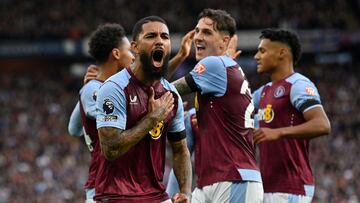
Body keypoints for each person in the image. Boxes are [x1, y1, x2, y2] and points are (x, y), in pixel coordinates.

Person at [95, 16, 192, 203]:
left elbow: (181, 150)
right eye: (151, 36)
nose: (159, 41)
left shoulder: (171, 95)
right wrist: (152, 119)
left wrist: (185, 192)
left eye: (165, 36)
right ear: (135, 47)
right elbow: (110, 149)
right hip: (117, 196)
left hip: (157, 197)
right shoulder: (114, 88)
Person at [171, 8, 263, 202]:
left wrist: (128, 84)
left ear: (225, 41)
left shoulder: (215, 65)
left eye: (207, 32)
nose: (198, 37)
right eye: (197, 31)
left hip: (234, 177)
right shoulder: (222, 66)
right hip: (209, 182)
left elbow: (165, 91)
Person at [252, 28, 331, 203]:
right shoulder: (263, 92)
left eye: (262, 51)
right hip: (267, 186)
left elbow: (322, 125)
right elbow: (236, 108)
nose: (256, 56)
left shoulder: (298, 85)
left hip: (291, 187)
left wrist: (278, 132)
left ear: (282, 53)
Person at [67, 23, 135, 203]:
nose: (134, 57)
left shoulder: (92, 89)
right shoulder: (95, 90)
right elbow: (117, 124)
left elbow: (74, 129)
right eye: (130, 51)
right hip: (104, 186)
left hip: (121, 184)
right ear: (116, 54)